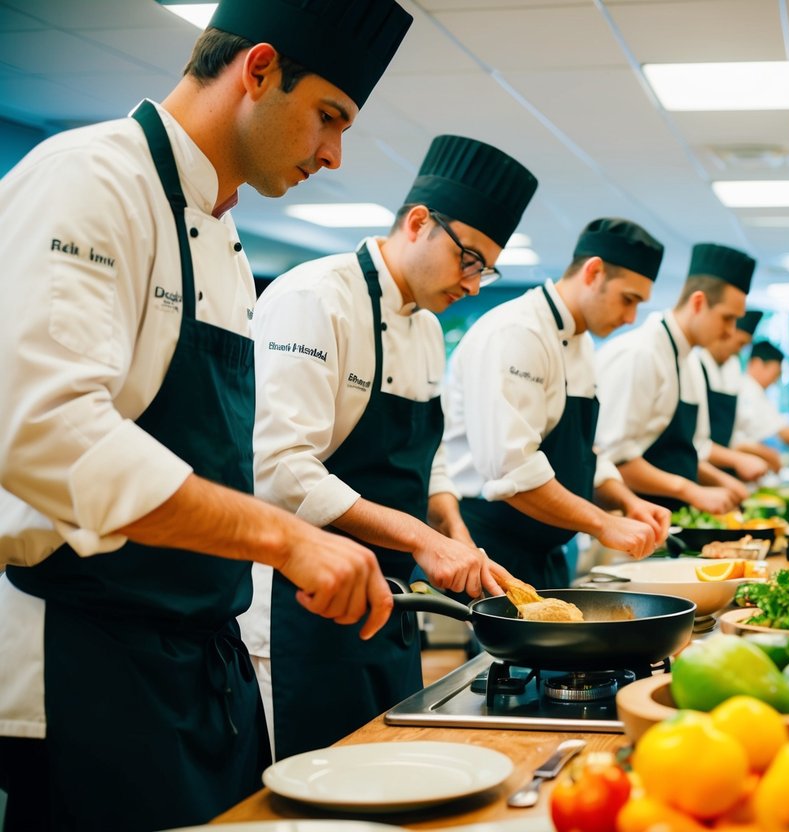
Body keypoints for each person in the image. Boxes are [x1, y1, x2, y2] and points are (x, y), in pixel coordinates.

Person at [0, 1, 413, 828]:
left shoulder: (221, 239)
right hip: (81, 665)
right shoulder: (90, 177)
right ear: (257, 69)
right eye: (328, 117)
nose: (334, 155)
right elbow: (45, 429)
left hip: (197, 667)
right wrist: (288, 537)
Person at [242, 134, 533, 759]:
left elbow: (427, 459)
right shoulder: (313, 299)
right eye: (471, 261)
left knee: (388, 777)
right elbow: (281, 470)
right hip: (302, 612)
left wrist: (453, 532)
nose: (476, 284)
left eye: (488, 269)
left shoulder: (427, 328)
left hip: (391, 610)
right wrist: (424, 542)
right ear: (420, 223)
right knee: (312, 801)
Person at [443, 217, 671, 589]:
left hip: (545, 550)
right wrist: (603, 523)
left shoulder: (579, 340)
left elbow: (581, 453)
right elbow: (514, 472)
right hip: (494, 548)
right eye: (627, 300)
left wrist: (628, 502)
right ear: (594, 272)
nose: (631, 318)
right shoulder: (517, 332)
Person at [596, 243, 756, 513]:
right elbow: (615, 459)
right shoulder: (640, 354)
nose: (731, 332)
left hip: (673, 521)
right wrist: (691, 490)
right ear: (698, 302)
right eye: (727, 319)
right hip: (631, 520)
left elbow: (689, 452)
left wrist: (723, 482)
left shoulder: (690, 360)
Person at [697, 310, 775, 476]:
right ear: (724, 334)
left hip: (723, 469)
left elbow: (734, 431)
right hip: (700, 470)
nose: (739, 352)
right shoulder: (696, 365)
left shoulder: (732, 368)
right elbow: (695, 442)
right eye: (740, 343)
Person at [732, 341, 789, 462]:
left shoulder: (752, 390)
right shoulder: (749, 390)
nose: (775, 381)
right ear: (757, 364)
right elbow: (784, 432)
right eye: (775, 375)